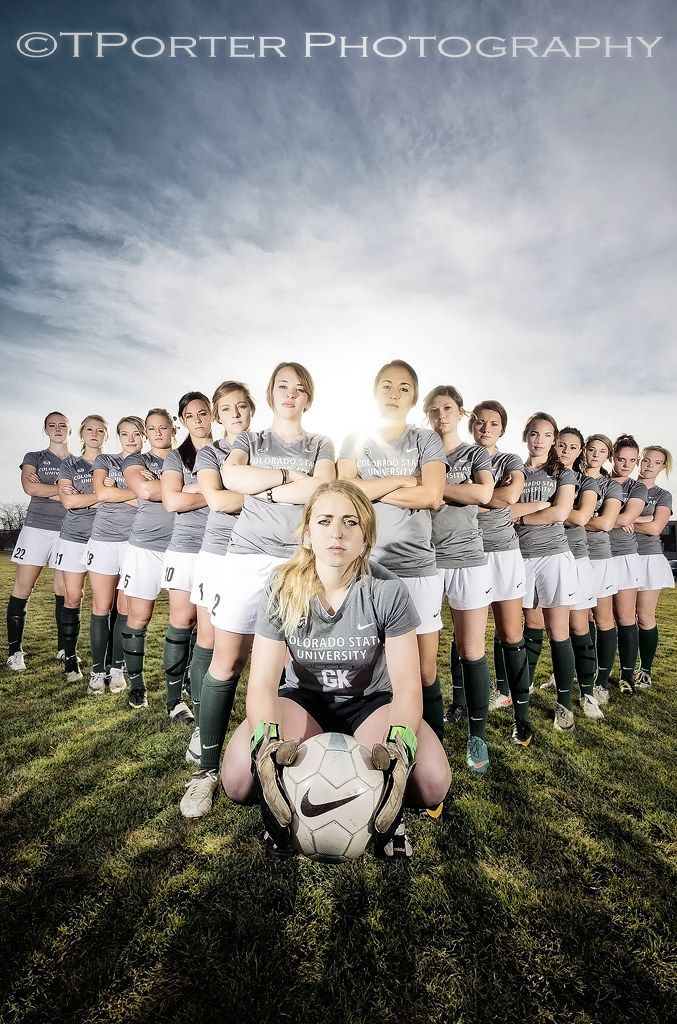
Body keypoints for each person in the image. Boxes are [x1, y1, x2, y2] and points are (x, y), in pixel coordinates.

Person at [220, 480, 452, 859]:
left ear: (366, 537)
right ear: (308, 533)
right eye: (325, 521)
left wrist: (400, 744)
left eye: (351, 522)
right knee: (237, 780)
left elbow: (409, 686)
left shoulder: (387, 590)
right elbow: (262, 681)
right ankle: (290, 811)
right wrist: (267, 744)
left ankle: (388, 813)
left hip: (369, 703)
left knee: (432, 782)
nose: (338, 532)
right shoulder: (282, 586)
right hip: (304, 701)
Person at [180, 362, 335, 819]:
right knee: (227, 661)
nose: (290, 393)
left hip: (298, 561)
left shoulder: (321, 443)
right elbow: (233, 480)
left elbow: (323, 488)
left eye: (299, 387)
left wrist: (263, 488)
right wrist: (289, 481)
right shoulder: (248, 440)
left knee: (291, 669)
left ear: (309, 397)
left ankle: (284, 767)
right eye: (282, 386)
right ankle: (207, 773)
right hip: (247, 557)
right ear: (271, 395)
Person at [338, 360, 446, 745]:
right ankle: (366, 744)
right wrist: (402, 480)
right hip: (366, 565)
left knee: (424, 671)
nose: (394, 394)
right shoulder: (355, 438)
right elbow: (345, 490)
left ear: (414, 397)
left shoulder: (426, 440)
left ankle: (430, 751)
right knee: (365, 666)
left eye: (403, 388)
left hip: (416, 565)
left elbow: (432, 495)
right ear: (374, 392)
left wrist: (372, 486)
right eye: (386, 385)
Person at [423, 387, 496, 771]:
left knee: (471, 649)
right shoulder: (421, 449)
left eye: (448, 408)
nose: (441, 415)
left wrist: (435, 490)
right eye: (433, 410)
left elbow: (483, 492)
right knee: (425, 660)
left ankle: (477, 736)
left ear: (460, 411)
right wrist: (451, 493)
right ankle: (431, 737)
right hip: (426, 561)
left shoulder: (474, 453)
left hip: (468, 558)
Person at [186, 381, 254, 765]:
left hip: (259, 553)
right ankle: (203, 726)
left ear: (251, 410)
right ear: (216, 414)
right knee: (211, 642)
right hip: (217, 553)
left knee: (272, 650)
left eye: (241, 407)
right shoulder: (211, 452)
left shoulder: (263, 445)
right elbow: (217, 500)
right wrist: (268, 496)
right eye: (226, 409)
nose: (235, 414)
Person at [469, 401, 534, 747]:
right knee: (468, 639)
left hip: (504, 552)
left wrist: (470, 496)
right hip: (469, 552)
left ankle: (521, 718)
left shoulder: (510, 461)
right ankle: (462, 705)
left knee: (511, 634)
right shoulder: (459, 457)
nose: (485, 427)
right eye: (479, 422)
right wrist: (483, 496)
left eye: (493, 423)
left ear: (502, 429)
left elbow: (510, 495)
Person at [512, 413, 578, 732]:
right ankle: (518, 694)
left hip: (553, 555)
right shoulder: (513, 472)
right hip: (521, 557)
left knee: (558, 631)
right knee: (529, 626)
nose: (539, 440)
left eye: (547, 435)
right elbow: (501, 509)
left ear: (553, 440)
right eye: (534, 434)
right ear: (526, 436)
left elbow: (560, 512)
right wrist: (535, 508)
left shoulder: (563, 473)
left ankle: (565, 705)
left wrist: (523, 518)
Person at [543, 427, 605, 720]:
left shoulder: (585, 481)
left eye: (573, 446)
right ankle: (560, 680)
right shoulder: (542, 476)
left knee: (579, 624)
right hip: (545, 555)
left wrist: (553, 510)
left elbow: (580, 517)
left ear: (580, 452)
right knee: (553, 628)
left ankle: (588, 693)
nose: (566, 450)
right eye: (561, 444)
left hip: (577, 557)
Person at [160, 392, 214, 725]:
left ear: (212, 416)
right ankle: (173, 700)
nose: (197, 419)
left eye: (203, 412)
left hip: (220, 547)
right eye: (190, 415)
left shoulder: (227, 451)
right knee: (183, 620)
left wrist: (192, 490)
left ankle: (200, 697)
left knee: (208, 631)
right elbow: (171, 502)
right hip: (185, 546)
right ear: (182, 421)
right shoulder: (175, 458)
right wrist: (211, 491)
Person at [119, 408, 177, 709]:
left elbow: (159, 490)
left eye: (163, 427)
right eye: (151, 428)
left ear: (172, 430)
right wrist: (176, 489)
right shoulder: (137, 460)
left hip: (181, 547)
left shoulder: (183, 459)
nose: (156, 433)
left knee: (184, 622)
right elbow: (145, 489)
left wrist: (164, 486)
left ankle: (178, 692)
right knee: (139, 618)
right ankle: (137, 685)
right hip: (144, 547)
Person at [6, 412, 71, 671]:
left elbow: (85, 494)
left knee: (64, 591)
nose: (57, 429)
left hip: (67, 531)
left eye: (62, 425)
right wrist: (66, 491)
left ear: (69, 429)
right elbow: (31, 489)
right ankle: (15, 651)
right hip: (36, 528)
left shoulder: (77, 462)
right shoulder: (34, 457)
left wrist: (50, 489)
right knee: (24, 587)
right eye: (52, 425)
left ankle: (64, 647)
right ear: (45, 429)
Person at [86, 416, 145, 695]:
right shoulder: (105, 461)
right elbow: (100, 492)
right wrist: (133, 492)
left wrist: (115, 491)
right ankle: (97, 670)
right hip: (104, 540)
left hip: (135, 543)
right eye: (125, 434)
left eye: (136, 434)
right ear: (118, 437)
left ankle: (116, 668)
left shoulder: (150, 463)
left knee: (124, 608)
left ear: (143, 436)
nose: (131, 439)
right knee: (101, 606)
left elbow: (151, 497)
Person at [53, 415, 108, 682]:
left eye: (100, 430)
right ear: (81, 434)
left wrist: (84, 499)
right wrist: (103, 496)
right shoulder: (70, 464)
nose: (94, 434)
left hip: (104, 538)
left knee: (103, 603)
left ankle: (107, 662)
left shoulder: (112, 463)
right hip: (73, 537)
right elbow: (68, 501)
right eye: (89, 429)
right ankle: (71, 660)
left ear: (106, 436)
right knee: (73, 598)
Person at [582, 435, 623, 703]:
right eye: (591, 449)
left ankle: (602, 680)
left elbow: (607, 523)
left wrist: (567, 517)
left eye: (602, 451)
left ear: (607, 456)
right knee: (578, 621)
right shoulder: (570, 478)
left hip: (598, 556)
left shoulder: (610, 486)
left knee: (603, 618)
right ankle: (580, 673)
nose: (595, 455)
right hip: (571, 556)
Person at [608, 435, 648, 695]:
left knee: (624, 616)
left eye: (632, 461)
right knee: (592, 617)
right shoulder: (597, 480)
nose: (626, 465)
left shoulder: (637, 488)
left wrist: (600, 519)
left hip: (623, 554)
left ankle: (626, 676)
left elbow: (629, 516)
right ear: (613, 457)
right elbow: (619, 519)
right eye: (622, 459)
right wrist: (616, 519)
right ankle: (591, 674)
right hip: (594, 554)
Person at [633, 445, 674, 689]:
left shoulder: (662, 495)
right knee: (610, 617)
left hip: (648, 558)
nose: (649, 465)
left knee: (644, 616)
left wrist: (628, 520)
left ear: (662, 467)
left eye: (656, 462)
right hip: (616, 556)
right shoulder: (623, 487)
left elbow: (655, 528)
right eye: (646, 460)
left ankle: (645, 670)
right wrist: (643, 518)